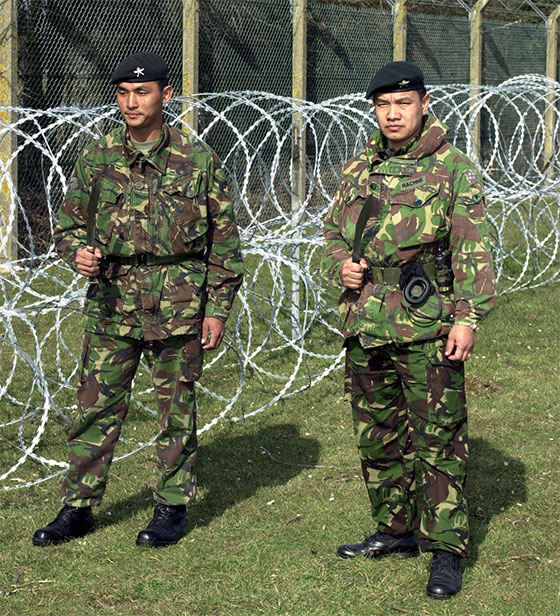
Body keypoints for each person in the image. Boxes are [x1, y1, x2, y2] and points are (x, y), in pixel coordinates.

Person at [33, 52, 243, 548]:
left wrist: (218, 309)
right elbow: (67, 226)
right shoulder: (97, 157)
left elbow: (225, 240)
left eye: (142, 92)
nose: (131, 102)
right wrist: (76, 254)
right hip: (112, 299)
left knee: (176, 411)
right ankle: (78, 508)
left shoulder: (198, 158)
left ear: (165, 96)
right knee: (96, 406)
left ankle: (171, 507)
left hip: (179, 301)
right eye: (124, 92)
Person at [320, 61, 496, 599]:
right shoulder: (358, 168)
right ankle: (393, 529)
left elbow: (473, 249)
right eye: (383, 105)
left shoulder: (453, 167)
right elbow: (331, 234)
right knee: (379, 436)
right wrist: (338, 268)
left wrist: (466, 317)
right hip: (366, 321)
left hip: (427, 322)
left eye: (403, 103)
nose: (392, 114)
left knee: (438, 439)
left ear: (423, 105)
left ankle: (445, 548)